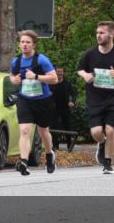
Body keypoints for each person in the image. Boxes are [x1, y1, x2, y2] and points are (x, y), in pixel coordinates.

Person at [76, 21, 114, 175]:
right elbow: (80, 69)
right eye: (97, 33)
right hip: (95, 98)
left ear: (111, 34)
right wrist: (86, 75)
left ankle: (107, 163)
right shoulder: (90, 54)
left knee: (110, 129)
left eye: (101, 33)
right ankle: (102, 143)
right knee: (96, 132)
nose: (98, 35)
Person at [9, 31, 59, 176]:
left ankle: (50, 154)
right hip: (25, 99)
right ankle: (24, 161)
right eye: (22, 42)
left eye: (28, 42)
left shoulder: (42, 60)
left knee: (43, 132)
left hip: (43, 100)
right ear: (19, 44)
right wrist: (14, 80)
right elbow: (12, 76)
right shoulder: (16, 61)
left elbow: (54, 78)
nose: (24, 45)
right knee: (25, 130)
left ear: (33, 45)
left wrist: (36, 76)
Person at [50, 67, 77, 152]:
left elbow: (74, 94)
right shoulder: (52, 83)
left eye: (61, 72)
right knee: (54, 127)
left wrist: (72, 101)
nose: (60, 73)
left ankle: (69, 145)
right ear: (55, 72)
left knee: (68, 126)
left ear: (63, 73)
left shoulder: (67, 84)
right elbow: (47, 94)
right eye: (58, 72)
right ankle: (55, 146)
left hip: (65, 108)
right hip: (54, 108)